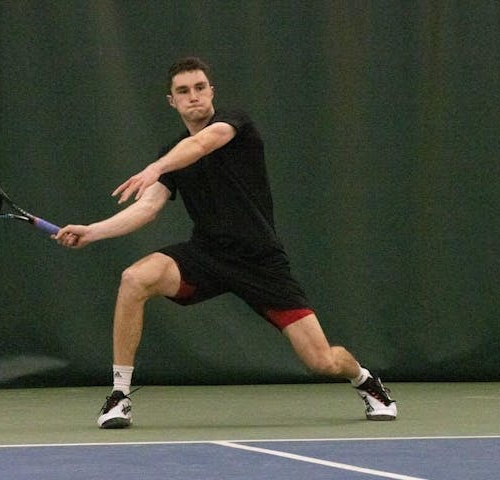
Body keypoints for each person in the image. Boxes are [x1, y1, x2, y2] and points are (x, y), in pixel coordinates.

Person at [55, 57, 396, 428]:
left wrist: (157, 167)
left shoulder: (235, 125)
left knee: (322, 360)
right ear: (171, 101)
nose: (194, 96)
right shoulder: (170, 154)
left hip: (261, 262)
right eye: (183, 91)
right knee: (134, 278)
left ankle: (364, 379)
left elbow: (203, 144)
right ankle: (119, 395)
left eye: (200, 88)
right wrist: (93, 231)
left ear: (211, 92)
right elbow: (147, 208)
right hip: (206, 255)